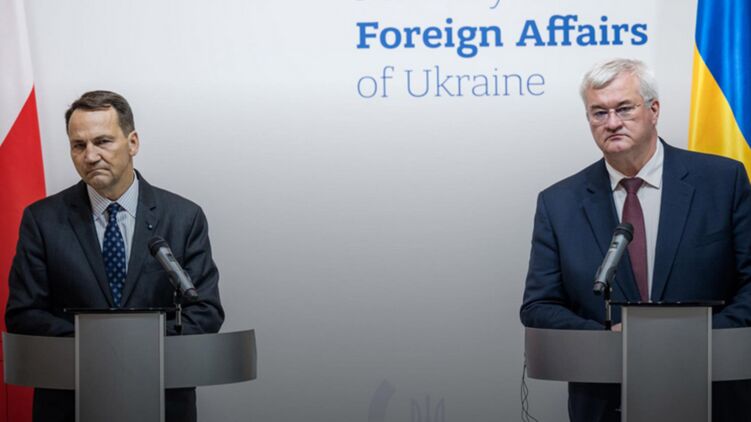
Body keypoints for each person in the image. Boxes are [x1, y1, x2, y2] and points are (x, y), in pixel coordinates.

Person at [520, 58, 751, 421]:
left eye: (624, 108)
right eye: (599, 113)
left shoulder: (723, 181)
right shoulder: (559, 203)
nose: (612, 122)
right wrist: (612, 340)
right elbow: (539, 306)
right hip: (607, 402)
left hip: (714, 395)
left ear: (653, 110)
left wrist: (693, 339)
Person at [5, 90, 224, 422]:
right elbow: (24, 314)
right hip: (69, 403)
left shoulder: (183, 217)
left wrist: (131, 348)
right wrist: (103, 347)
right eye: (78, 145)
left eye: (102, 141)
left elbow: (205, 311)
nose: (90, 155)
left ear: (132, 142)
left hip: (161, 400)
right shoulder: (42, 220)